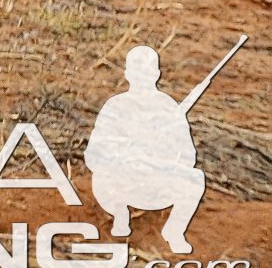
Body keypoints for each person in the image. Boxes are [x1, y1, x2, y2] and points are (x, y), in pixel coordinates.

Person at [87, 44, 209, 254]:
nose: (142, 77)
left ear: (157, 74)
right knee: (102, 176)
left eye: (147, 71)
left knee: (195, 178)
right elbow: (94, 155)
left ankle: (174, 231)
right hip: (120, 182)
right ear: (127, 74)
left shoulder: (169, 108)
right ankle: (120, 215)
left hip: (156, 184)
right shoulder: (115, 106)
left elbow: (187, 155)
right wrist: (123, 156)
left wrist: (160, 158)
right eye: (137, 72)